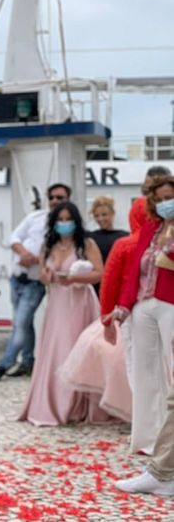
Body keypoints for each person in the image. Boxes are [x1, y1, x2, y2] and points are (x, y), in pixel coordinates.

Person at [18, 202, 109, 426]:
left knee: (76, 347)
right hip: (57, 303)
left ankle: (78, 404)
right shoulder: (47, 247)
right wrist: (47, 276)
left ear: (75, 221)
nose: (64, 224)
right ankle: (54, 402)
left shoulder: (85, 245)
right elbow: (42, 275)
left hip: (80, 301)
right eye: (61, 220)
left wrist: (74, 279)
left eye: (69, 219)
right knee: (56, 349)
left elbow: (100, 273)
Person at [58, 200, 149, 422]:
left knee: (132, 362)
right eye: (97, 214)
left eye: (104, 213)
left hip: (126, 307)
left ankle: (142, 415)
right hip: (132, 306)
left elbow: (111, 280)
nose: (101, 217)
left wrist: (108, 315)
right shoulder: (140, 243)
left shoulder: (126, 242)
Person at [107, 175, 174, 454]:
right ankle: (149, 440)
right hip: (143, 306)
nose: (164, 204)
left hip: (170, 302)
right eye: (158, 200)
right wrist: (122, 306)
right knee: (144, 374)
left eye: (168, 197)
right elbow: (134, 270)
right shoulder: (150, 229)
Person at [0, 183, 72, 381]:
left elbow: (62, 252)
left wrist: (37, 259)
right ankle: (27, 362)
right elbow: (14, 237)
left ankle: (4, 364)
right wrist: (24, 253)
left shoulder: (65, 225)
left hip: (35, 283)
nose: (55, 201)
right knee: (25, 325)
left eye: (60, 198)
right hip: (16, 279)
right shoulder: (35, 217)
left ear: (67, 199)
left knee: (20, 323)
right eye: (52, 197)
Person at [87, 196, 128, 295]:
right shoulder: (90, 237)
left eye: (104, 215)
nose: (100, 219)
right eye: (97, 216)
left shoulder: (123, 236)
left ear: (112, 214)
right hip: (96, 286)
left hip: (117, 284)